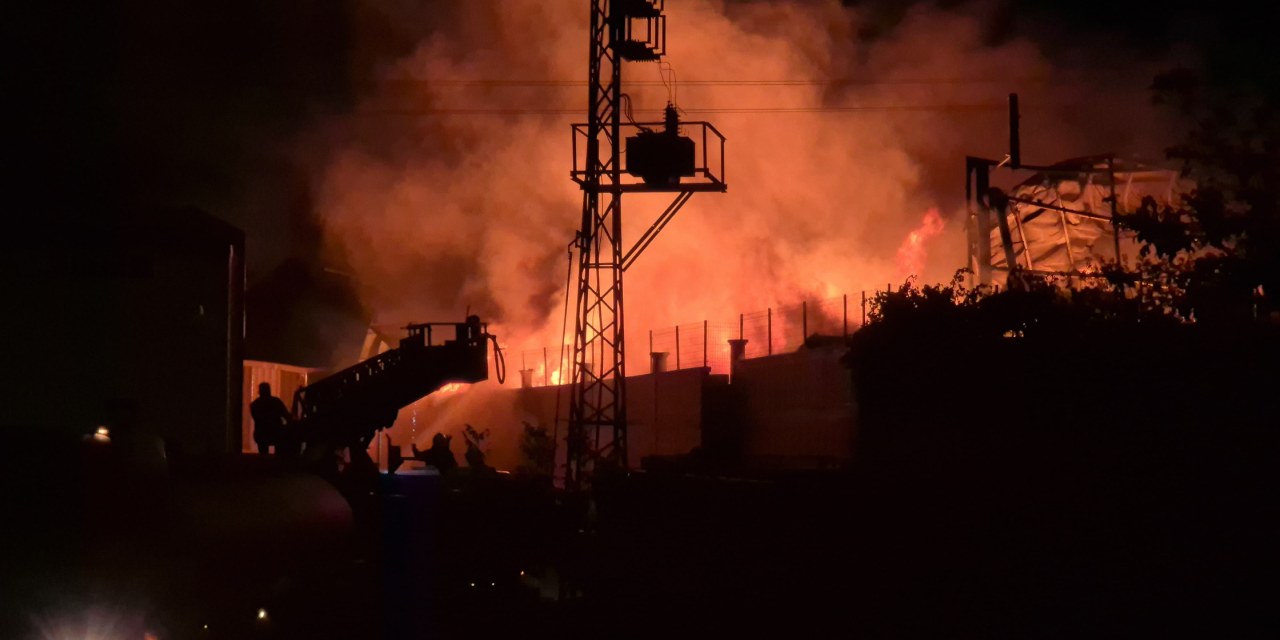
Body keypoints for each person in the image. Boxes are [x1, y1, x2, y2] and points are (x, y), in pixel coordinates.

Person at [250, 382, 290, 456]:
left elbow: (257, 419)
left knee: (263, 454)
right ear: (269, 390)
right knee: (279, 453)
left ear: (259, 391)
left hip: (261, 434)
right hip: (276, 433)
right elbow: (286, 416)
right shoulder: (276, 402)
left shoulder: (255, 404)